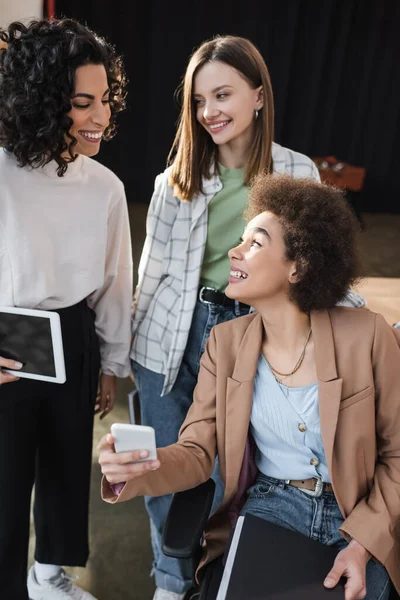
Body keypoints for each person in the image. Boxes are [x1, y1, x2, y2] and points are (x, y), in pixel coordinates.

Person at [129, 35, 364, 600]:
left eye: (223, 94)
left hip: (250, 333)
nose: (210, 112)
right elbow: (150, 277)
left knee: (227, 473)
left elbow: (317, 262)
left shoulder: (296, 169)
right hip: (172, 337)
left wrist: (365, 325)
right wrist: (121, 361)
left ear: (258, 95)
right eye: (199, 100)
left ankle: (219, 572)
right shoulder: (174, 181)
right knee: (163, 465)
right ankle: (170, 579)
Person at [100, 174, 400, 600]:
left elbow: (397, 453)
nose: (233, 252)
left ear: (300, 266)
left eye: (255, 243)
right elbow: (197, 452)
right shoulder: (224, 345)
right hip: (273, 507)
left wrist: (364, 542)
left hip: (362, 513)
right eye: (240, 240)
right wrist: (140, 466)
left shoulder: (367, 335)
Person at [0, 18, 132, 600]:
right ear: (44, 102)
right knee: (4, 482)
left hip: (75, 336)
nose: (101, 116)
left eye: (105, 99)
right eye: (83, 103)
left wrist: (111, 363)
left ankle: (49, 574)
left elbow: (113, 282)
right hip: (7, 337)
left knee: (66, 463)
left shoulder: (104, 186)